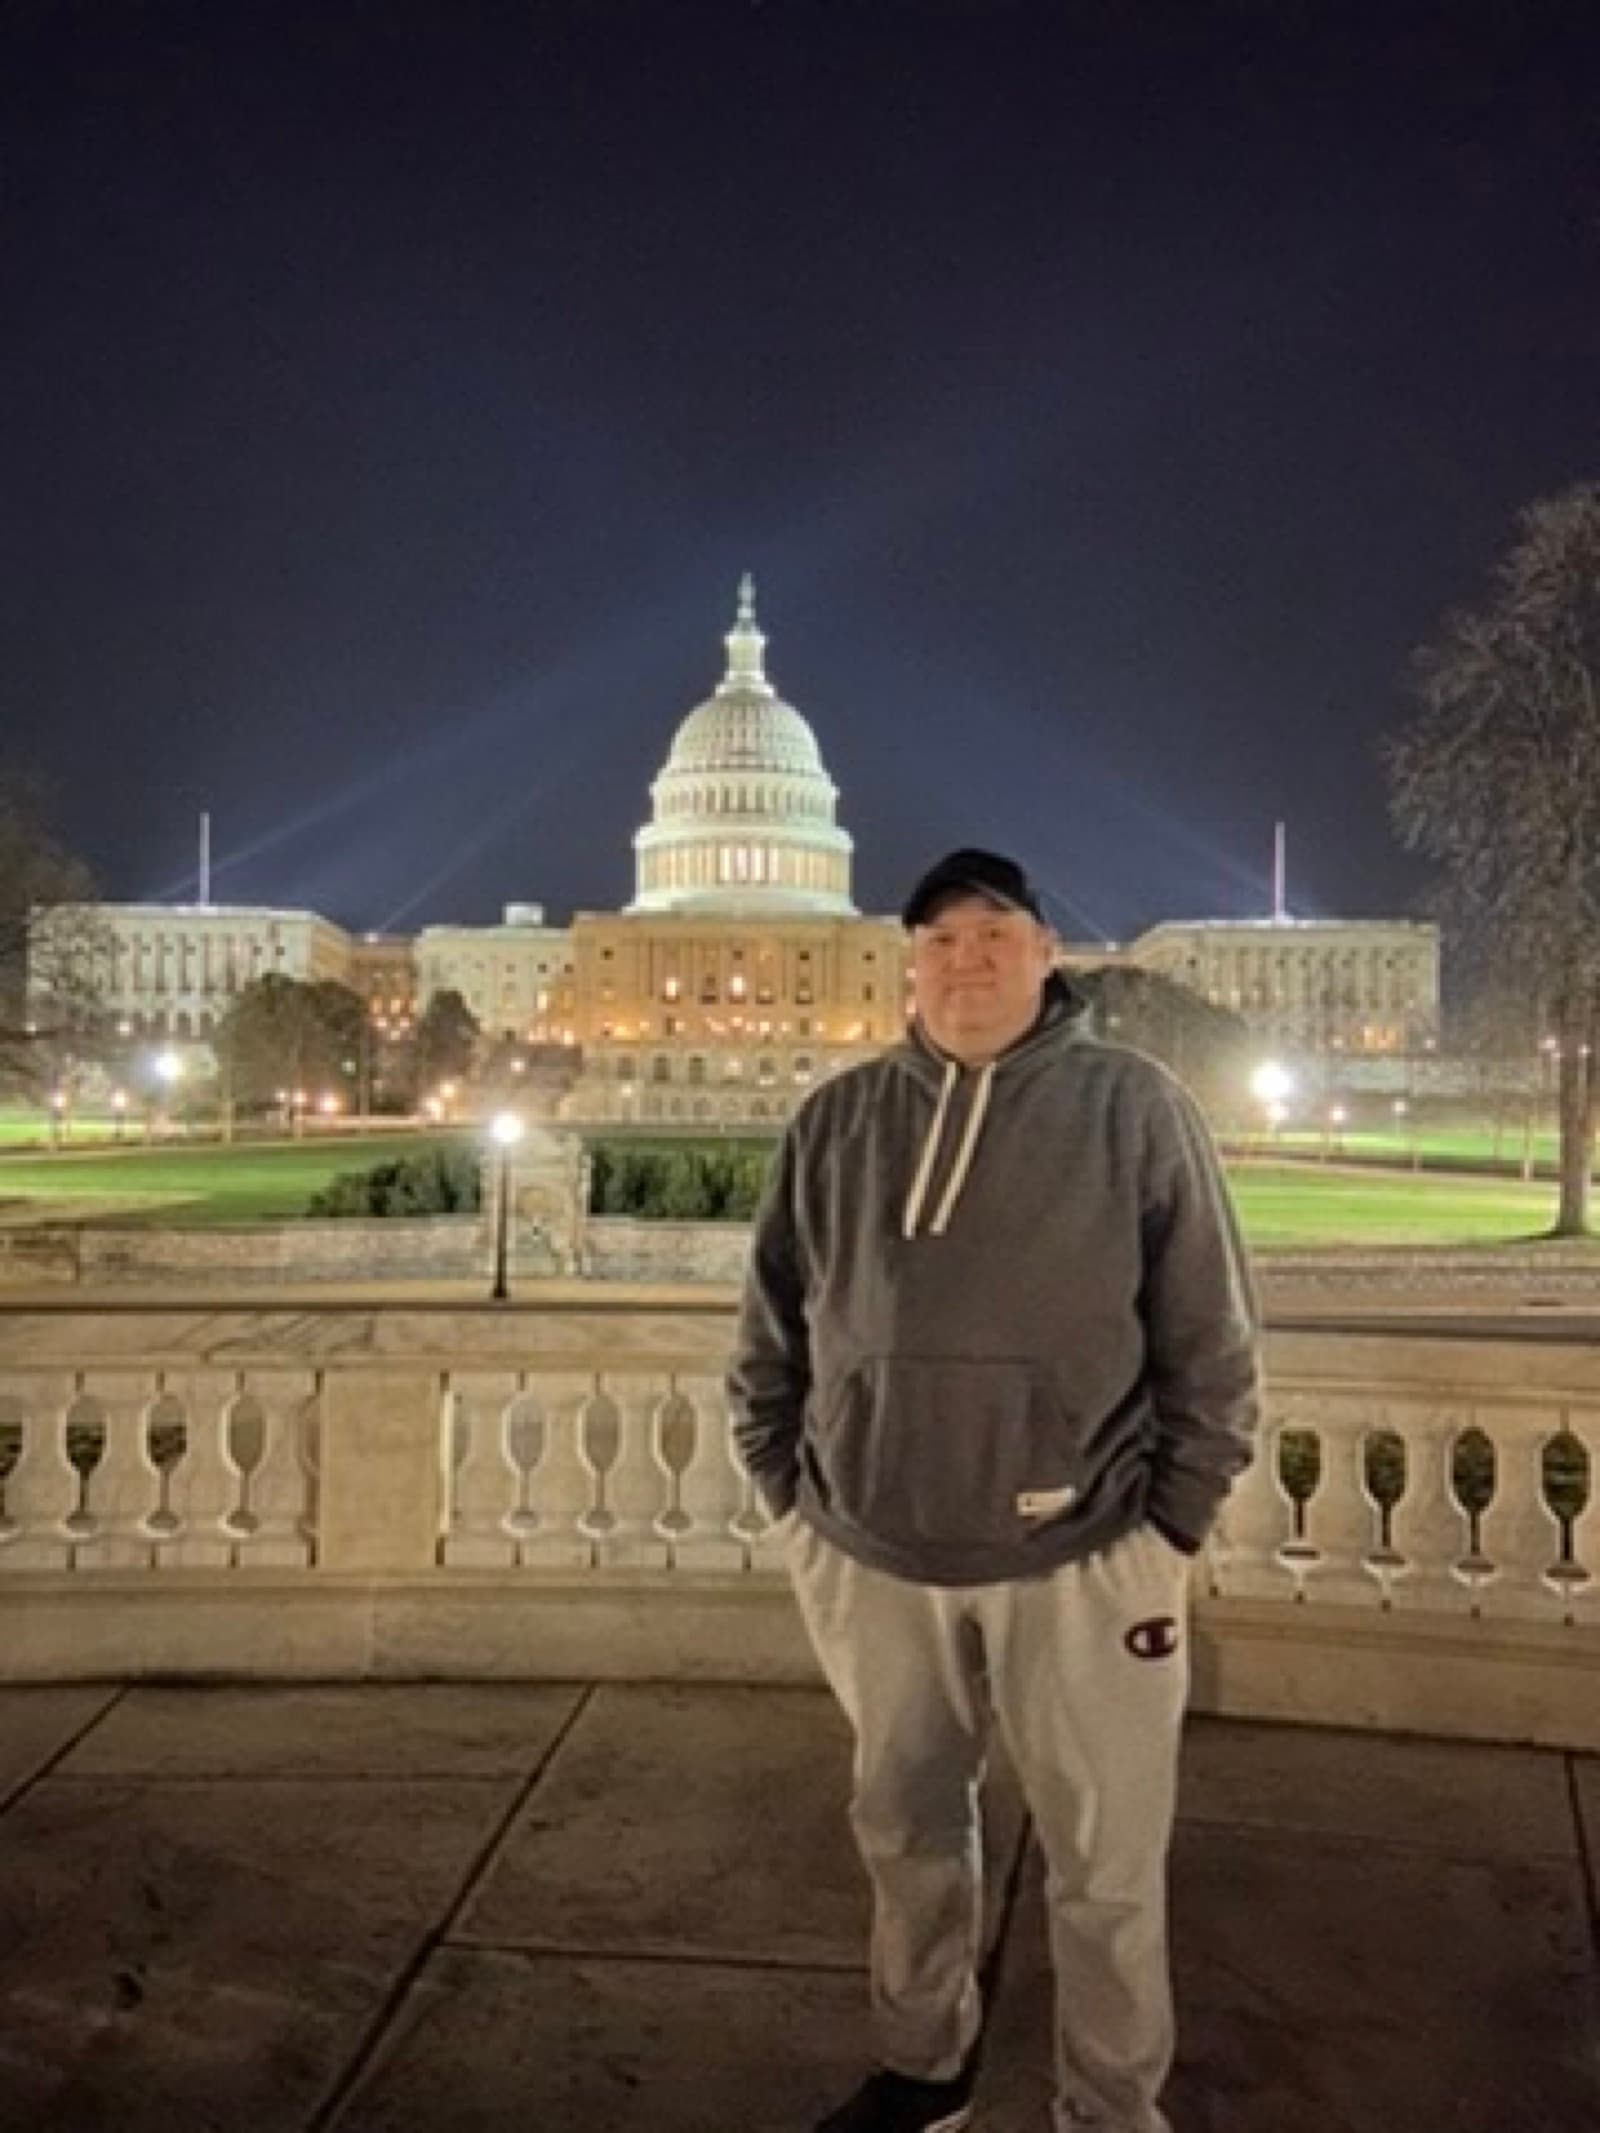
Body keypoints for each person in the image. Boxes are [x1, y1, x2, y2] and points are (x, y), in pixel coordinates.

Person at [729, 848, 1260, 2133]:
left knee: (1106, 1865)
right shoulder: (838, 1117)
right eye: (940, 940)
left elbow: (1210, 1338)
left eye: (993, 933)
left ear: (1045, 955)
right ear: (907, 962)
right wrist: (790, 1494)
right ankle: (923, 2072)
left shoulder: (1135, 1107)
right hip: (873, 1554)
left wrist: (1165, 1527)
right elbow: (773, 1324)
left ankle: (1111, 2108)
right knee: (904, 1834)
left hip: (1084, 1557)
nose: (965, 958)